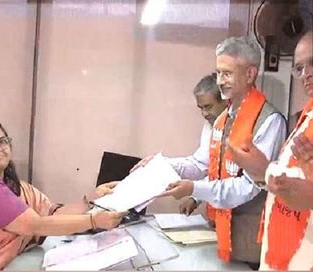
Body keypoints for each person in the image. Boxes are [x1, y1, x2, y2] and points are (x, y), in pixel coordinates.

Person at [158, 36, 287, 266]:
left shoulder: (270, 121)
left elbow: (247, 187)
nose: (219, 81)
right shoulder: (222, 119)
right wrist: (162, 164)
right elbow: (200, 165)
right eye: (218, 73)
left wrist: (194, 189)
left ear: (250, 74)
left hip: (249, 245)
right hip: (219, 233)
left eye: (226, 73)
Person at [0, 119, 125, 270]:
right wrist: (93, 221)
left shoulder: (15, 187)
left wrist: (89, 199)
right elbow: (37, 225)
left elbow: (51, 215)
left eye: (2, 141)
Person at [229, 30, 313, 270]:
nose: (306, 74)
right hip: (279, 254)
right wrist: (263, 170)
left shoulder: (272, 117)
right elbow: (288, 180)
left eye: (312, 63)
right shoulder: (305, 118)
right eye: (299, 68)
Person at [132, 73, 228, 215]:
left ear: (225, 101)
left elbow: (230, 178)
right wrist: (163, 164)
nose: (204, 114)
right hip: (218, 213)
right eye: (200, 108)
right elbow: (200, 165)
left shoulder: (241, 128)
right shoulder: (211, 124)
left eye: (208, 107)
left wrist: (194, 192)